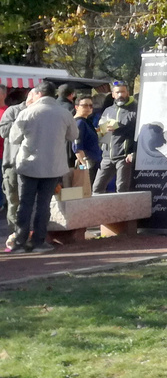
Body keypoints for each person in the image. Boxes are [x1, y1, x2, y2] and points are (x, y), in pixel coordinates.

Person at [11, 80, 78, 253]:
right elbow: (73, 136)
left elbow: (13, 139)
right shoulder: (64, 113)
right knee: (44, 204)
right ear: (54, 94)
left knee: (25, 204)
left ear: (38, 94)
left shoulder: (27, 112)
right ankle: (38, 241)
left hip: (28, 165)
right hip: (53, 165)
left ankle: (20, 241)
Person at [1, 88, 38, 248]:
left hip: (36, 165)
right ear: (29, 96)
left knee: (33, 203)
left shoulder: (42, 114)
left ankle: (30, 237)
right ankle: (15, 238)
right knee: (14, 202)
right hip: (13, 164)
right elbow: (3, 132)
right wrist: (23, 119)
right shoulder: (13, 111)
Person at [93, 80, 138, 194]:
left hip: (124, 156)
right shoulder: (108, 110)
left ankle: (122, 211)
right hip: (107, 156)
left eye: (123, 92)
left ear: (127, 93)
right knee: (97, 188)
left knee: (122, 189)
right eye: (117, 92)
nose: (120, 95)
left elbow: (138, 133)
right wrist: (103, 131)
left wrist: (133, 152)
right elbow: (102, 131)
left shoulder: (135, 109)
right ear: (113, 94)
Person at [72, 96, 102, 181]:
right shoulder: (79, 123)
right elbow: (77, 147)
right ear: (76, 107)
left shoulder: (86, 121)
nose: (89, 108)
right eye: (85, 105)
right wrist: (85, 165)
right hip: (88, 162)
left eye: (91, 106)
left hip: (94, 161)